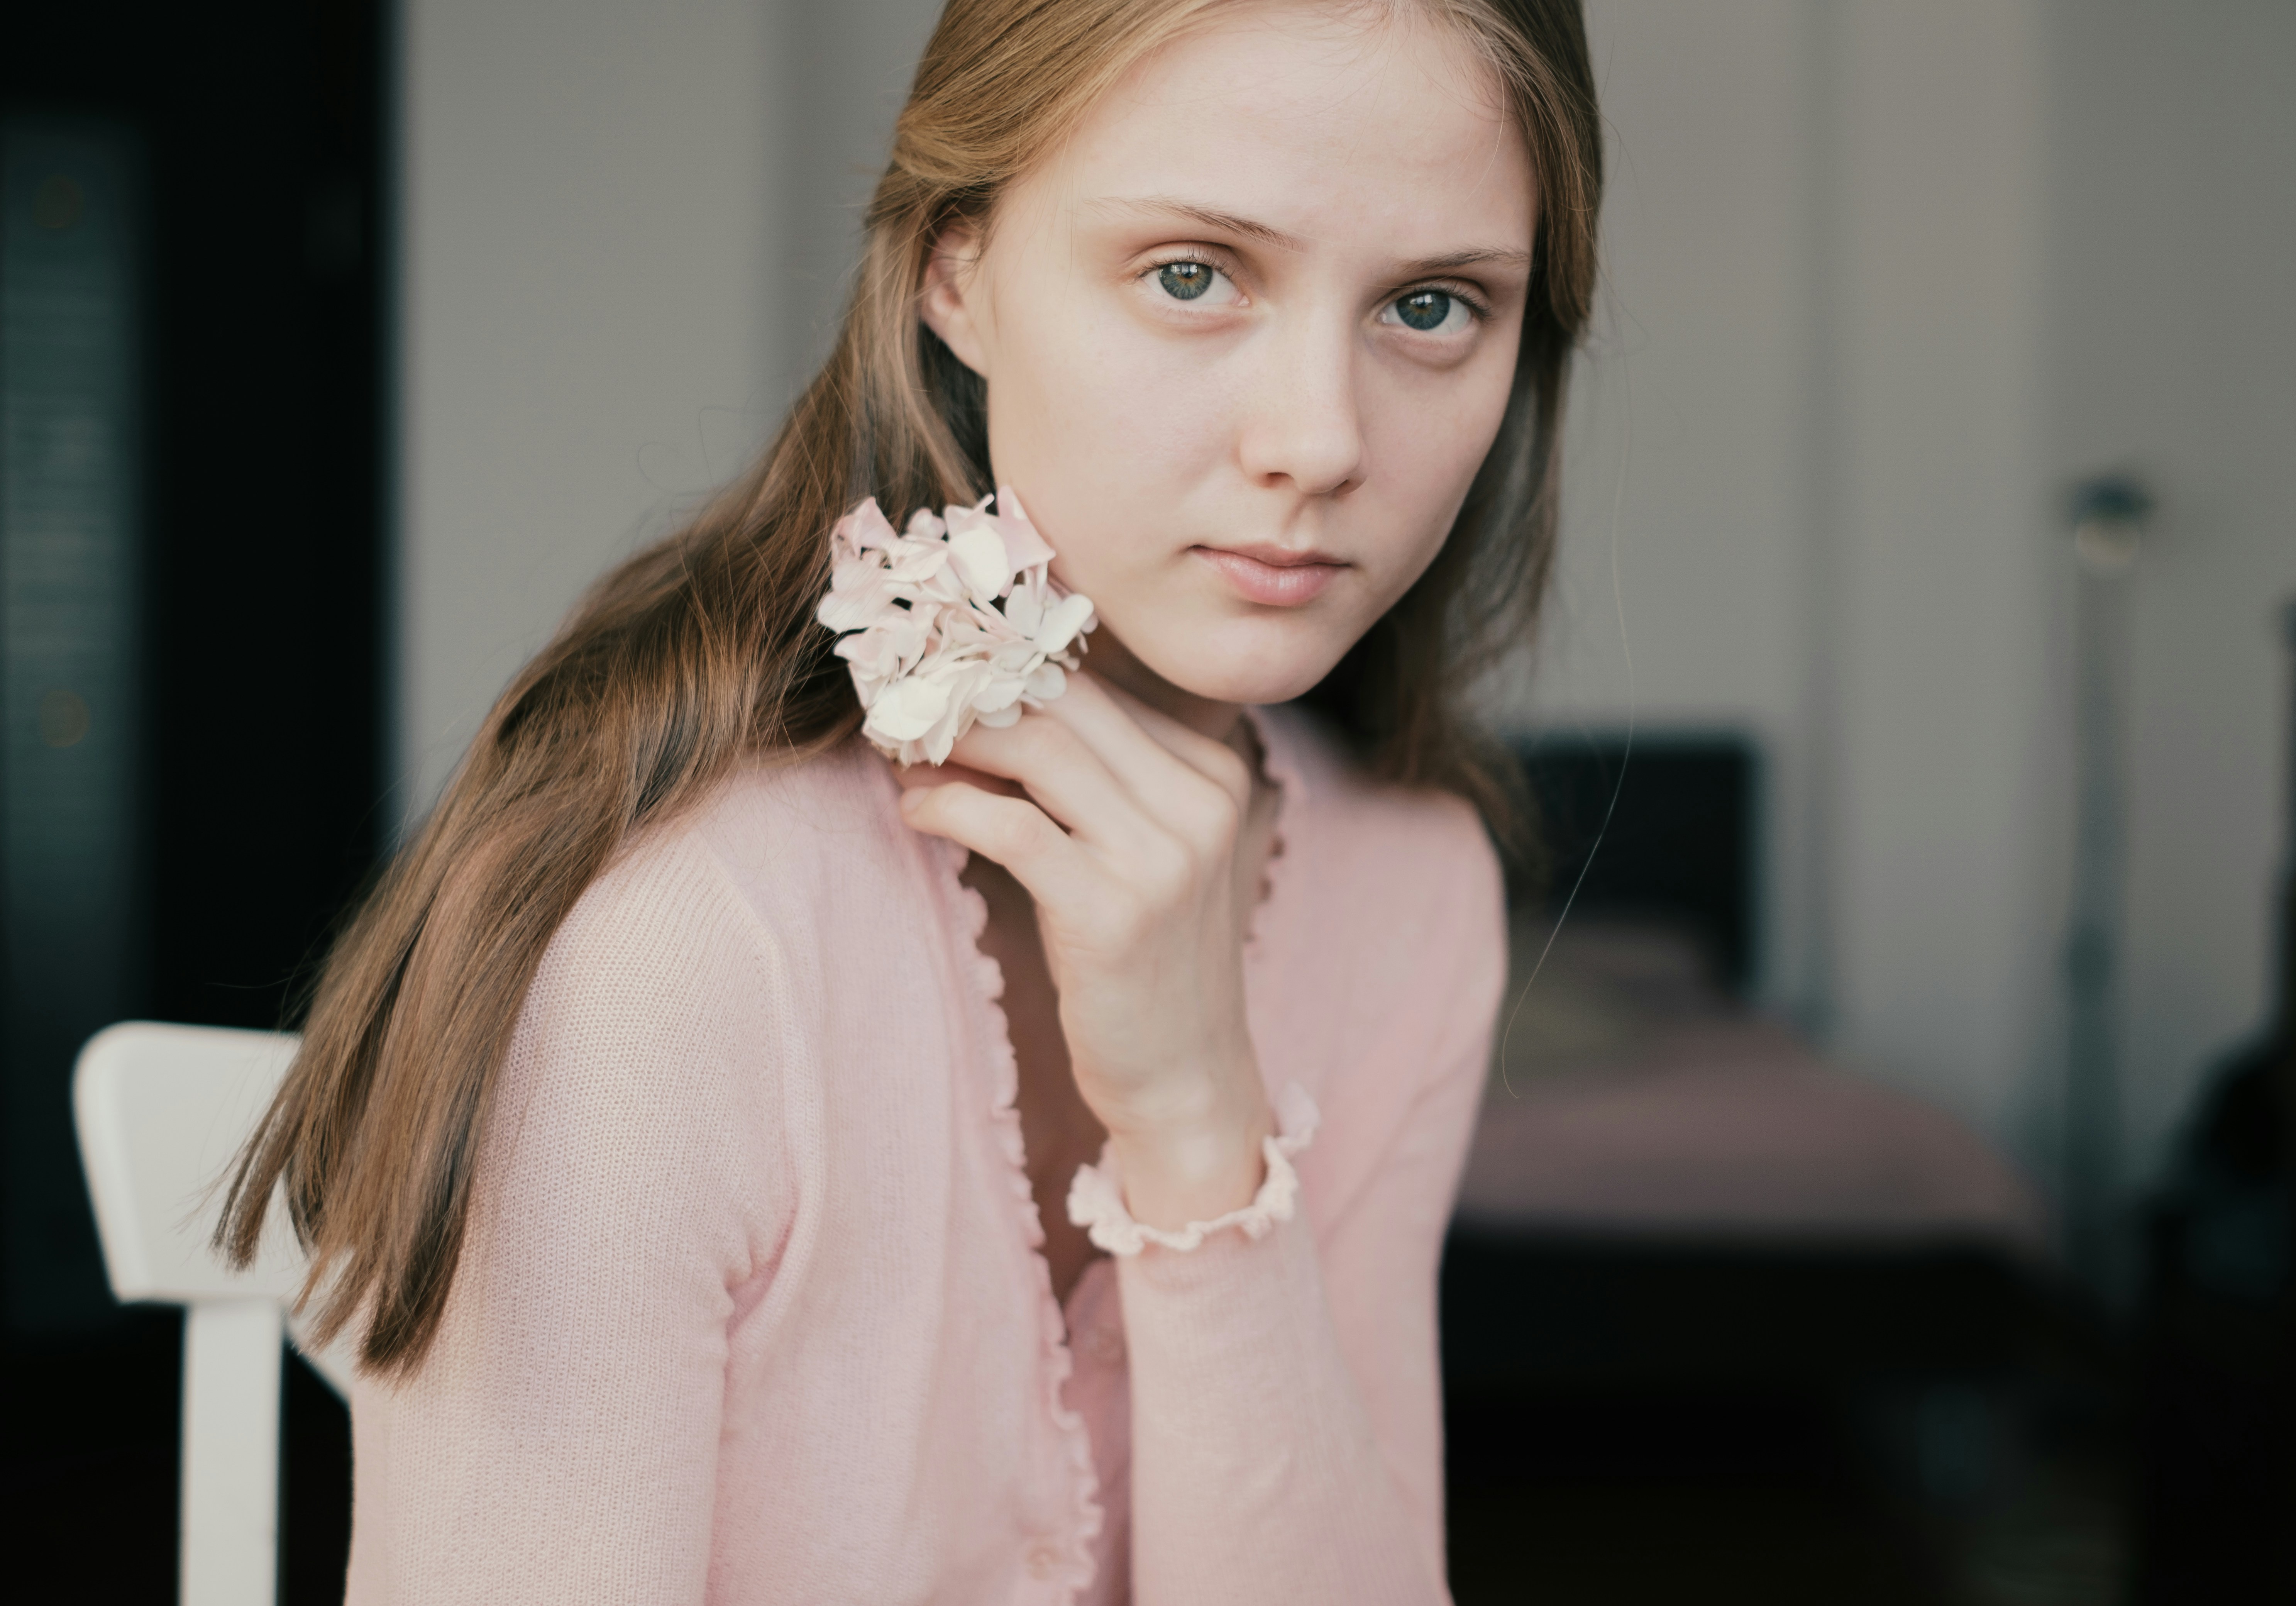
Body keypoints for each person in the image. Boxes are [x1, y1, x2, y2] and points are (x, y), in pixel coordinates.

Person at [221, 0, 1600, 1599]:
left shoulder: (1412, 893)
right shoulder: (680, 938)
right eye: (1191, 274)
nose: (1320, 441)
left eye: (1433, 306)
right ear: (958, 271)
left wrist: (1199, 1123)